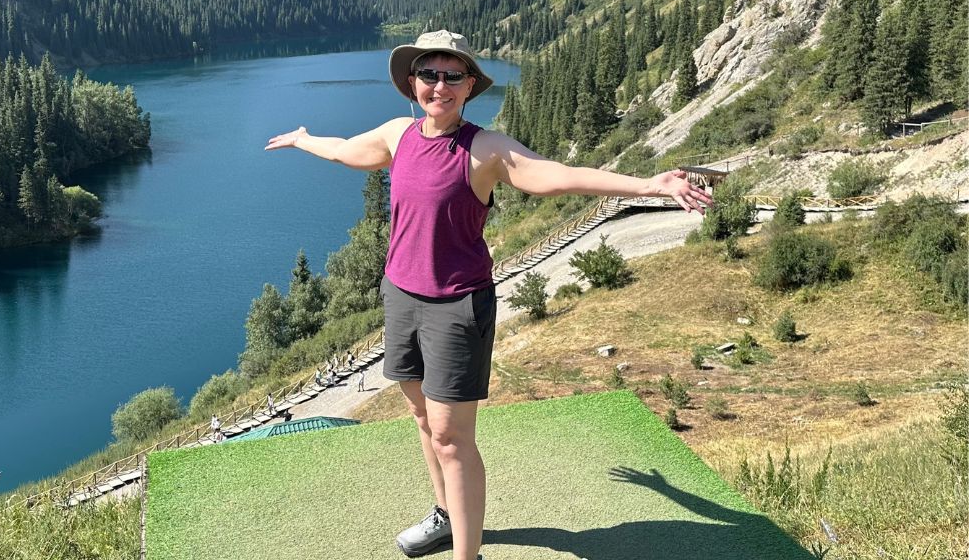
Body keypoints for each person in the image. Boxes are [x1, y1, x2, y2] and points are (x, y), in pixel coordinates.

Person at [266, 30, 711, 560]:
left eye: (453, 75)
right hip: (401, 296)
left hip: (456, 306)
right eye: (429, 74)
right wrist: (303, 139)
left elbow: (559, 175)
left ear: (470, 85)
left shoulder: (484, 149)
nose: (440, 85)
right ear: (412, 82)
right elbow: (343, 152)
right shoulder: (397, 136)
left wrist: (649, 185)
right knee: (422, 419)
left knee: (453, 438)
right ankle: (445, 516)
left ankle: (467, 556)